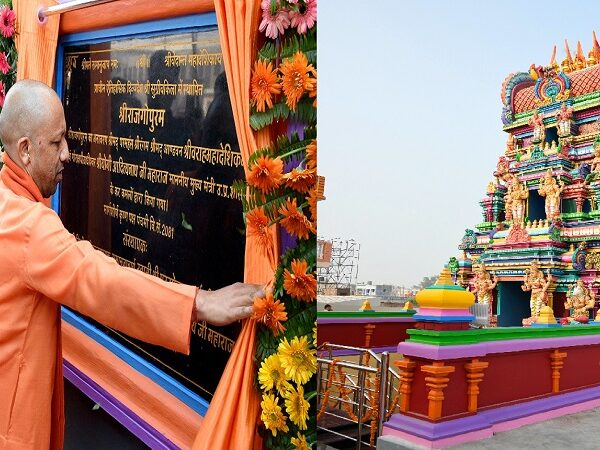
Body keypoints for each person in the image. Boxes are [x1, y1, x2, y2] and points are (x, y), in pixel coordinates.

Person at [0, 80, 263, 449]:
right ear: (25, 150)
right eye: (57, 142)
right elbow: (102, 280)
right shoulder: (28, 227)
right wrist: (198, 304)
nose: (68, 154)